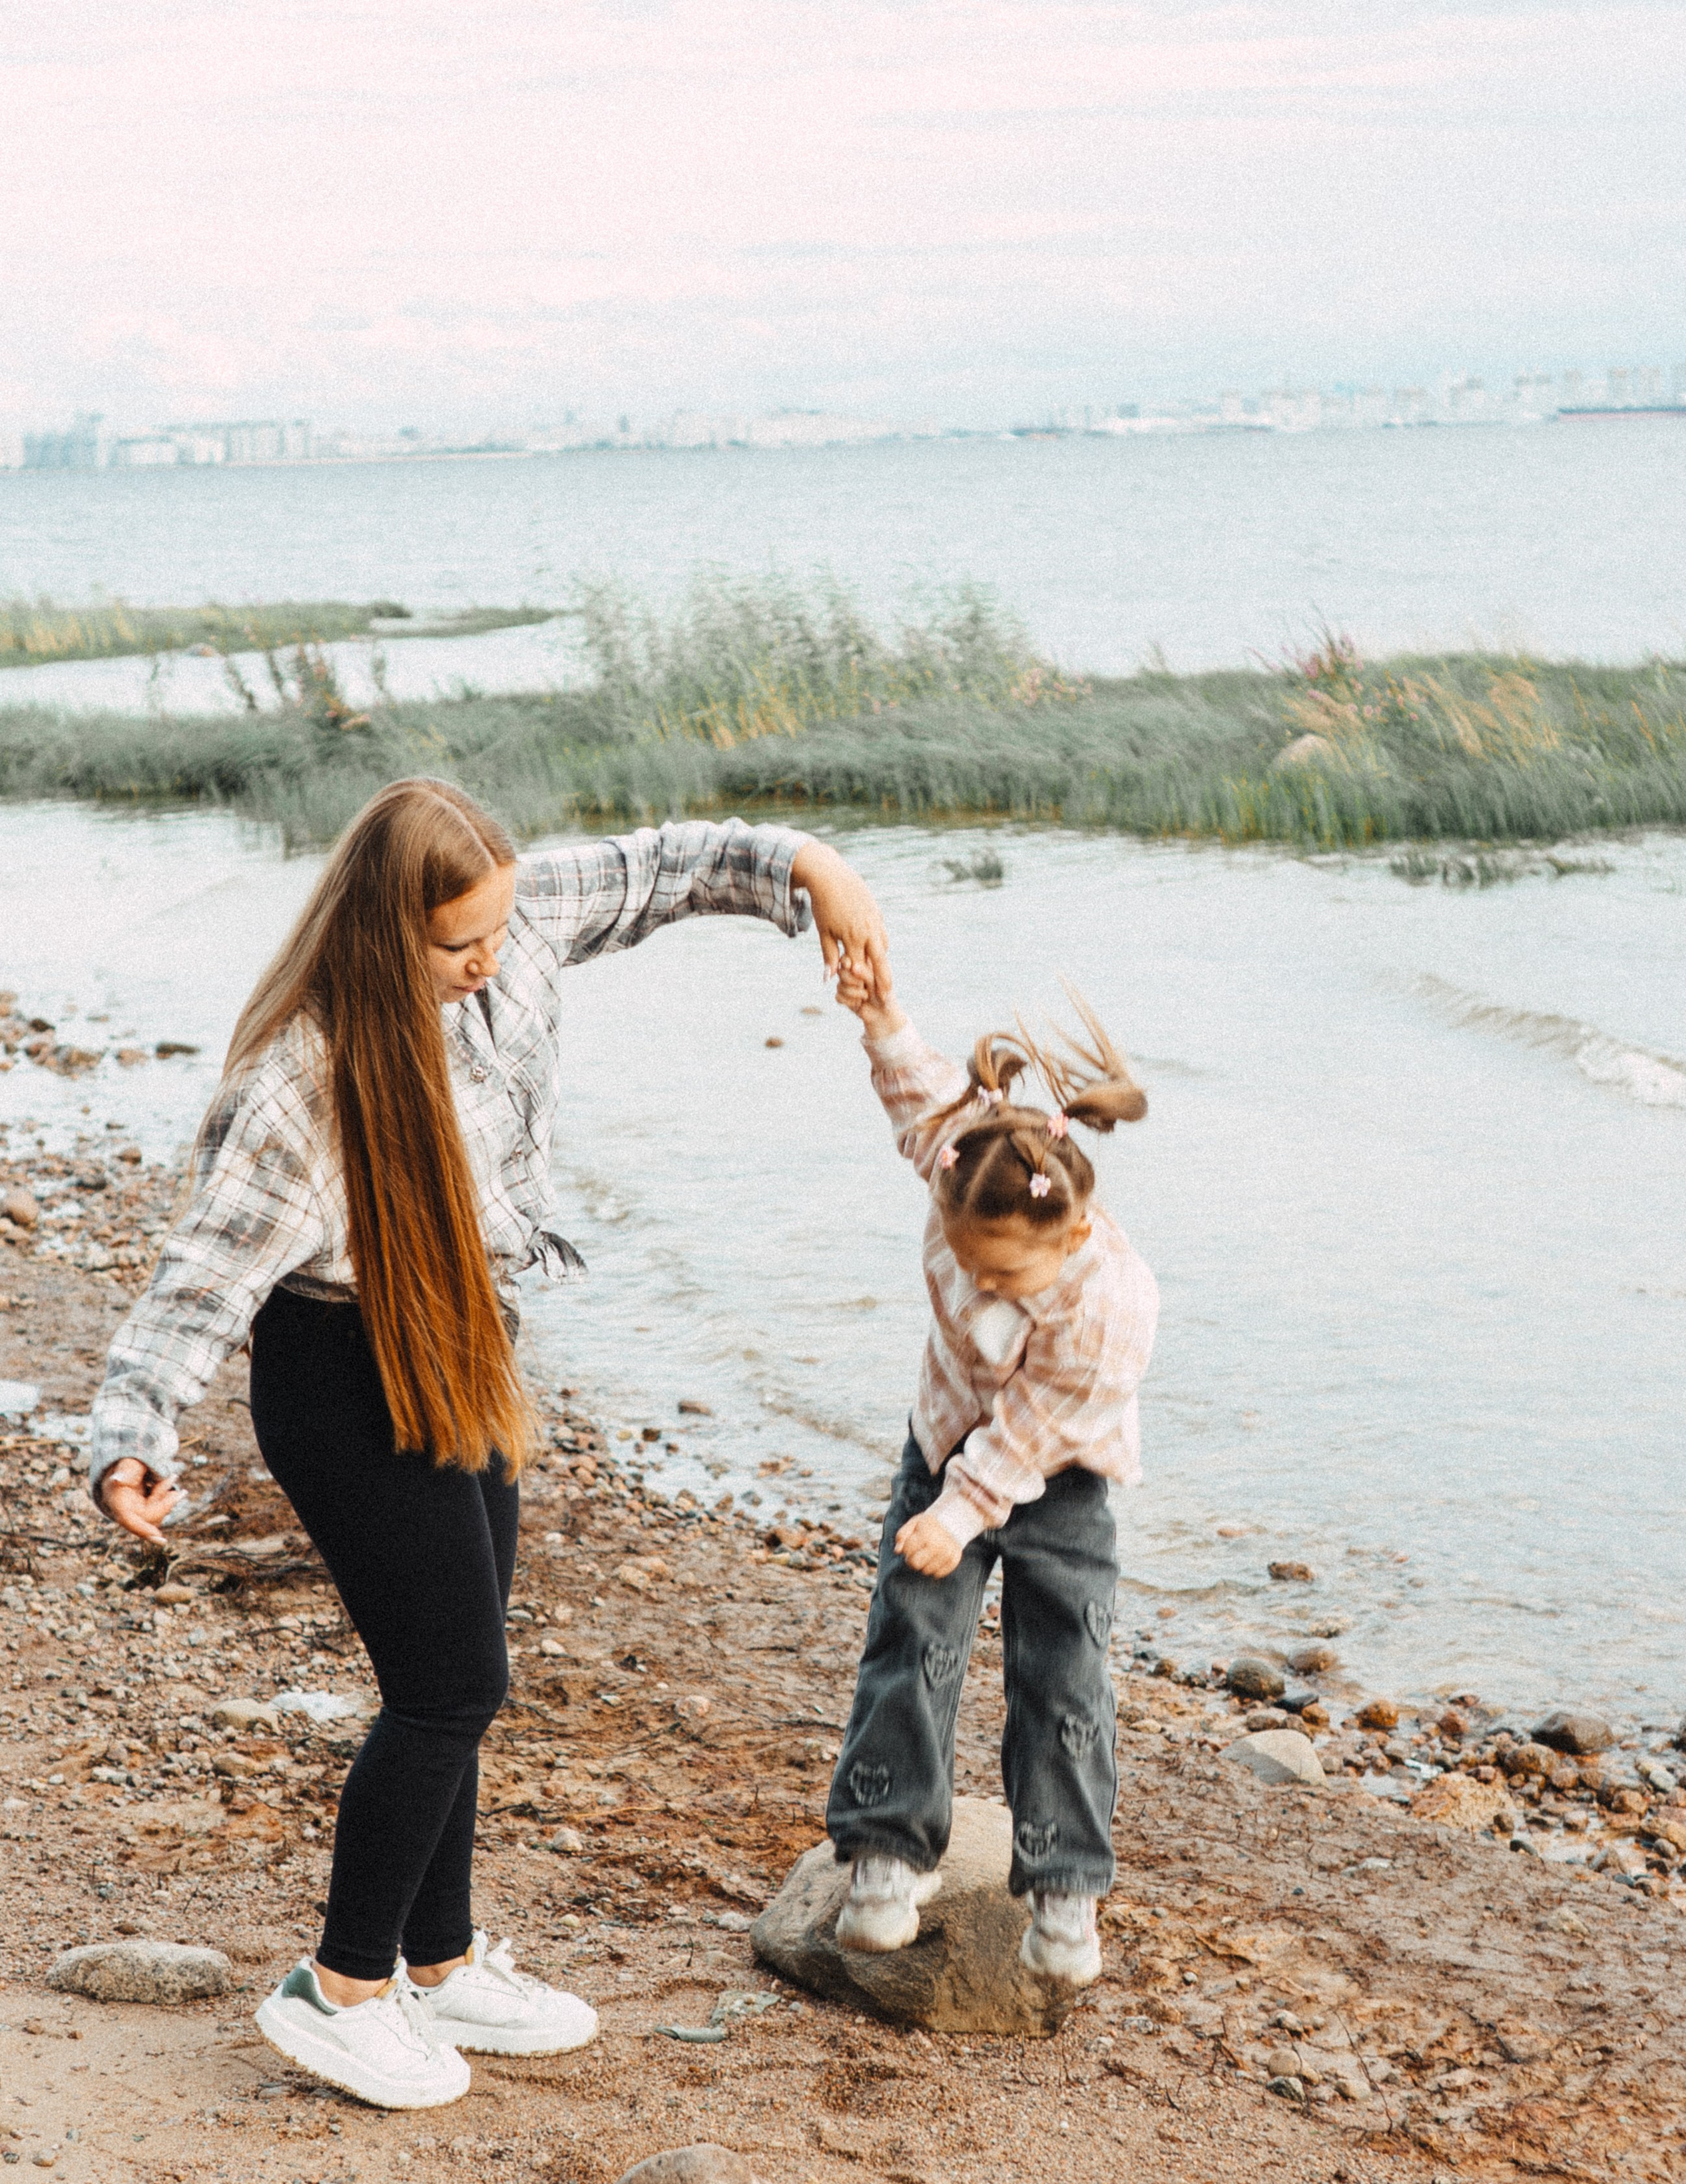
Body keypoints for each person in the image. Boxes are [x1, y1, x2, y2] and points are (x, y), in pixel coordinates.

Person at [91, 777, 890, 2109]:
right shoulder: (298, 1083)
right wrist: (134, 1432)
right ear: (382, 936)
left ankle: (441, 1957)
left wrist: (812, 868)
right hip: (342, 1374)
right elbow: (198, 1281)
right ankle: (340, 1987)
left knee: (457, 1665)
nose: (488, 960)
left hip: (464, 1340)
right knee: (449, 1684)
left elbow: (665, 868)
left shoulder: (507, 929)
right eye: (456, 945)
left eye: (496, 932)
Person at [826, 964, 1157, 1987]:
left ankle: (1064, 1891)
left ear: (1076, 1234)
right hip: (943, 1439)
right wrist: (880, 1015)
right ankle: (887, 1855)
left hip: (1058, 1476)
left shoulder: (1113, 1306)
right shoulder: (965, 1167)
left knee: (1063, 1674)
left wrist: (959, 1516)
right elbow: (922, 1097)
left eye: (1005, 1273)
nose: (979, 1283)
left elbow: (1030, 1429)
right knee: (910, 1637)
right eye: (968, 1260)